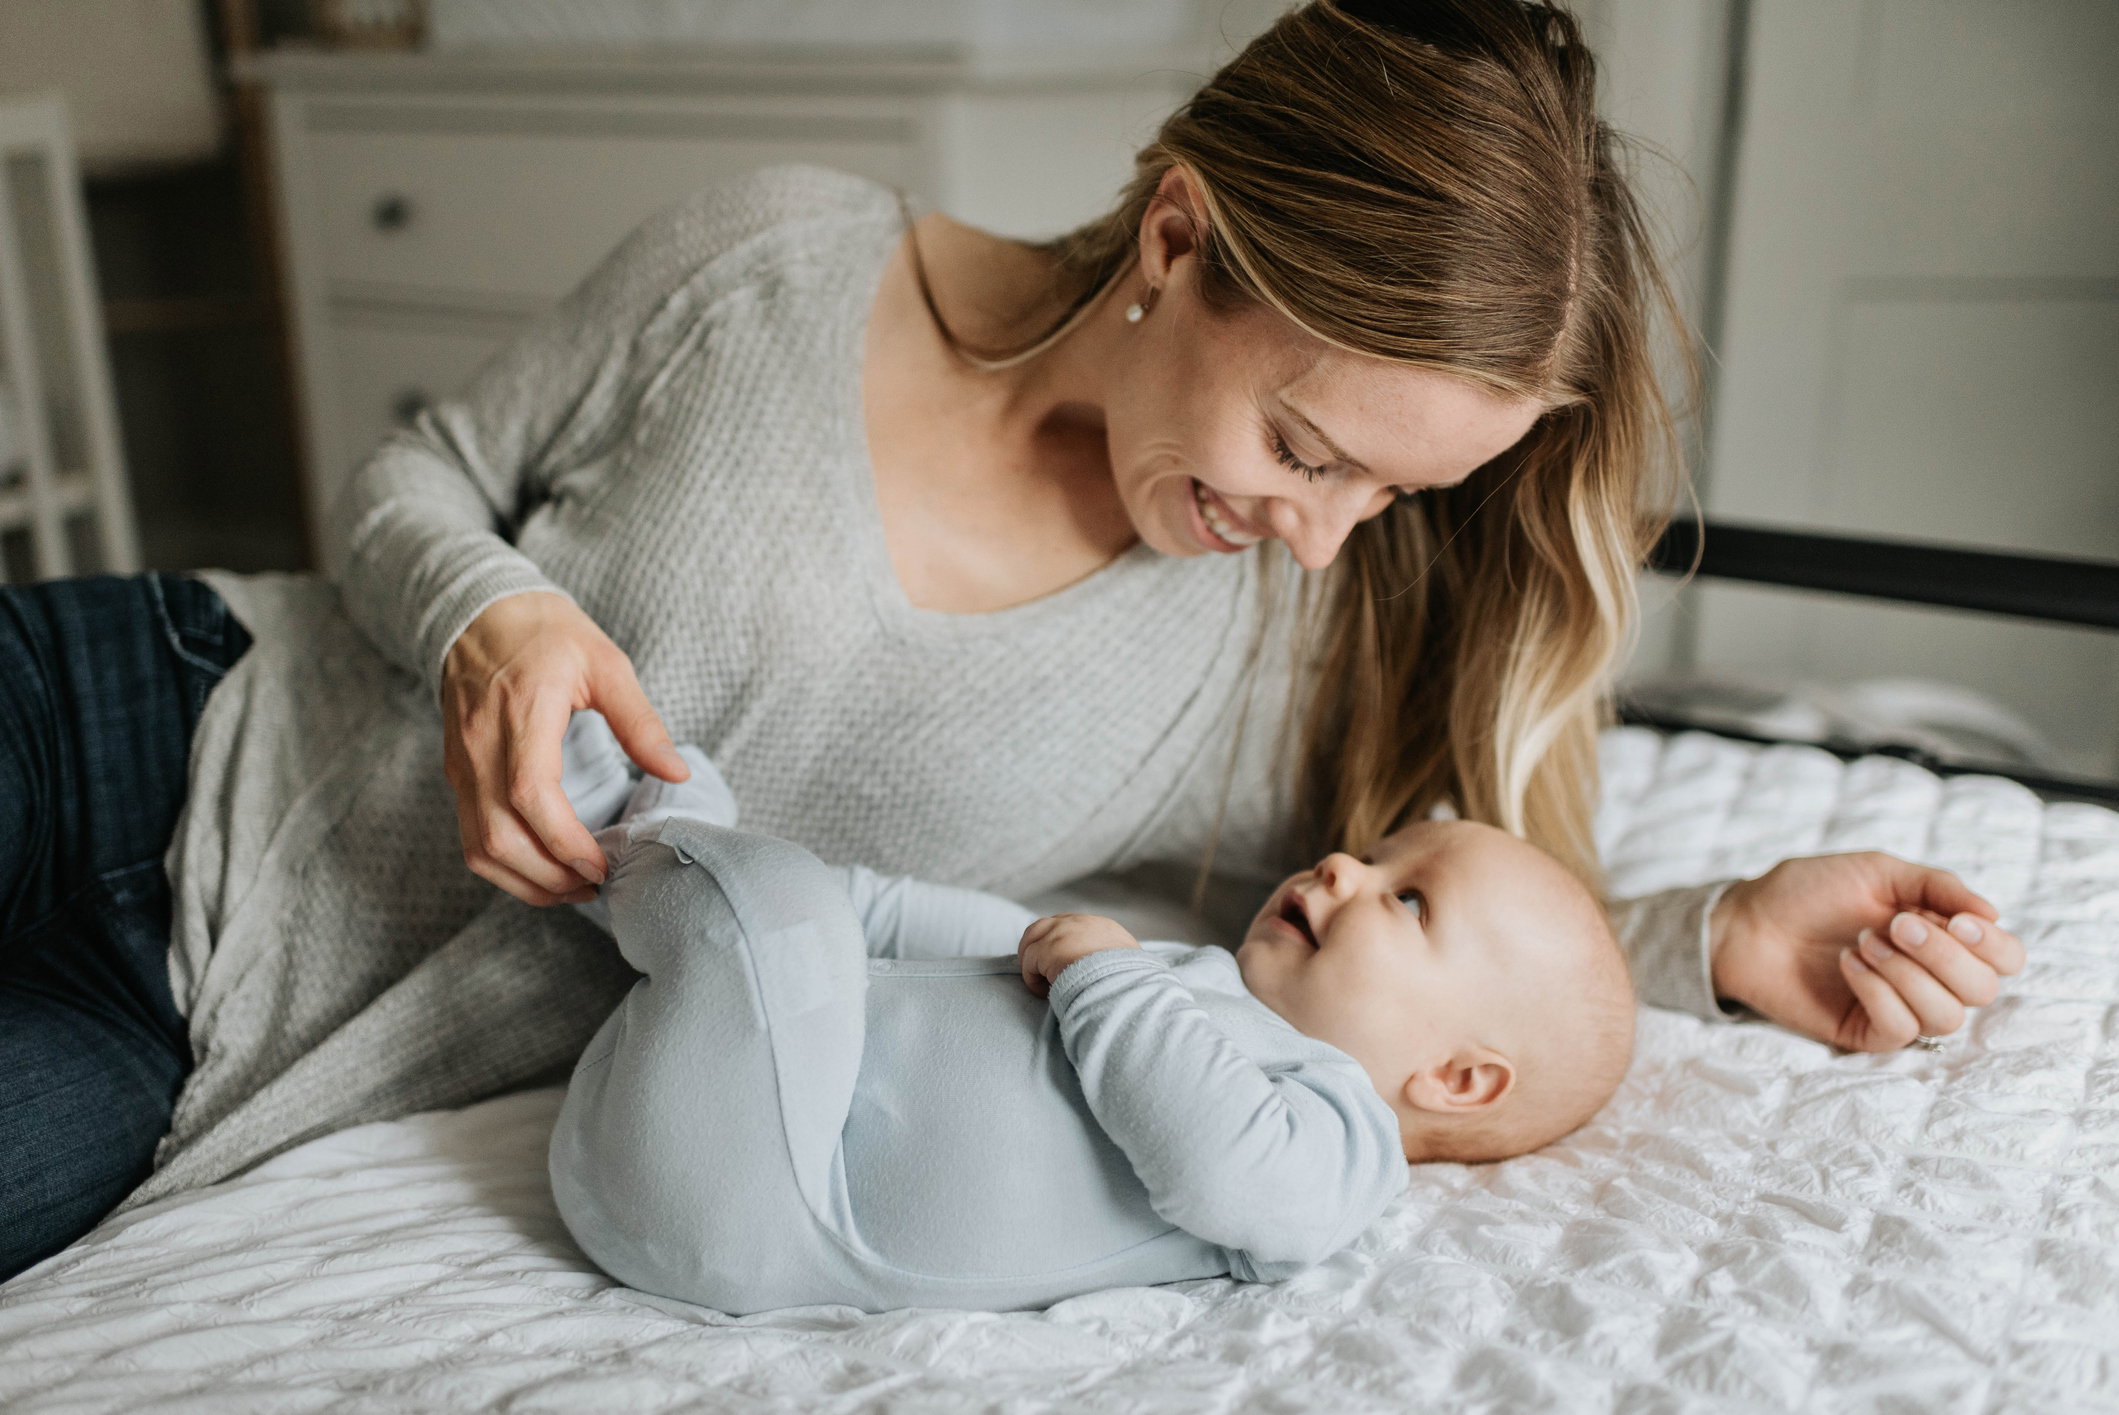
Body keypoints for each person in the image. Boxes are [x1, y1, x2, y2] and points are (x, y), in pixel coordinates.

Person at [0, 0, 2025, 1283]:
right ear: (1173, 240)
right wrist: (496, 613)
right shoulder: (776, 254)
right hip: (157, 695)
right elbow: (411, 476)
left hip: (180, 1026)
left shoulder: (1264, 673)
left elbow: (1423, 965)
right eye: (1305, 447)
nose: (1320, 543)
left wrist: (1718, 932)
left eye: (1385, 499)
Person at [545, 713, 1635, 1313]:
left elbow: (1224, 1167)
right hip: (727, 1099)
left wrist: (1104, 977)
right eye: (1378, 848)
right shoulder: (1177, 983)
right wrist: (1087, 961)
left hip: (765, 1206)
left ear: (1456, 1078)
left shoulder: (1338, 1138)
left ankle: (639, 825)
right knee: (813, 903)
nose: (1346, 861)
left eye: (1407, 895)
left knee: (767, 911)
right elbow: (941, 926)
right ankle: (671, 843)